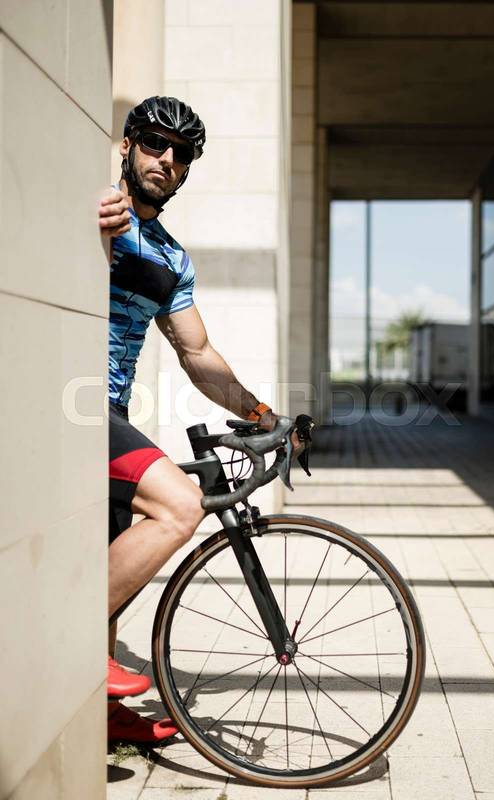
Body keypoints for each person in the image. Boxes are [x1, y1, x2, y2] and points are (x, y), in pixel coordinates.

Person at [99, 96, 296, 744]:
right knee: (181, 507)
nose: (167, 159)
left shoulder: (171, 256)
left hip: (107, 411)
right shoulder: (97, 205)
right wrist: (88, 224)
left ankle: (94, 710)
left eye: (181, 154)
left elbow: (197, 354)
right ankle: (65, 637)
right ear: (127, 144)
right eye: (155, 143)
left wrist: (266, 416)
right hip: (61, 402)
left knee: (109, 555)